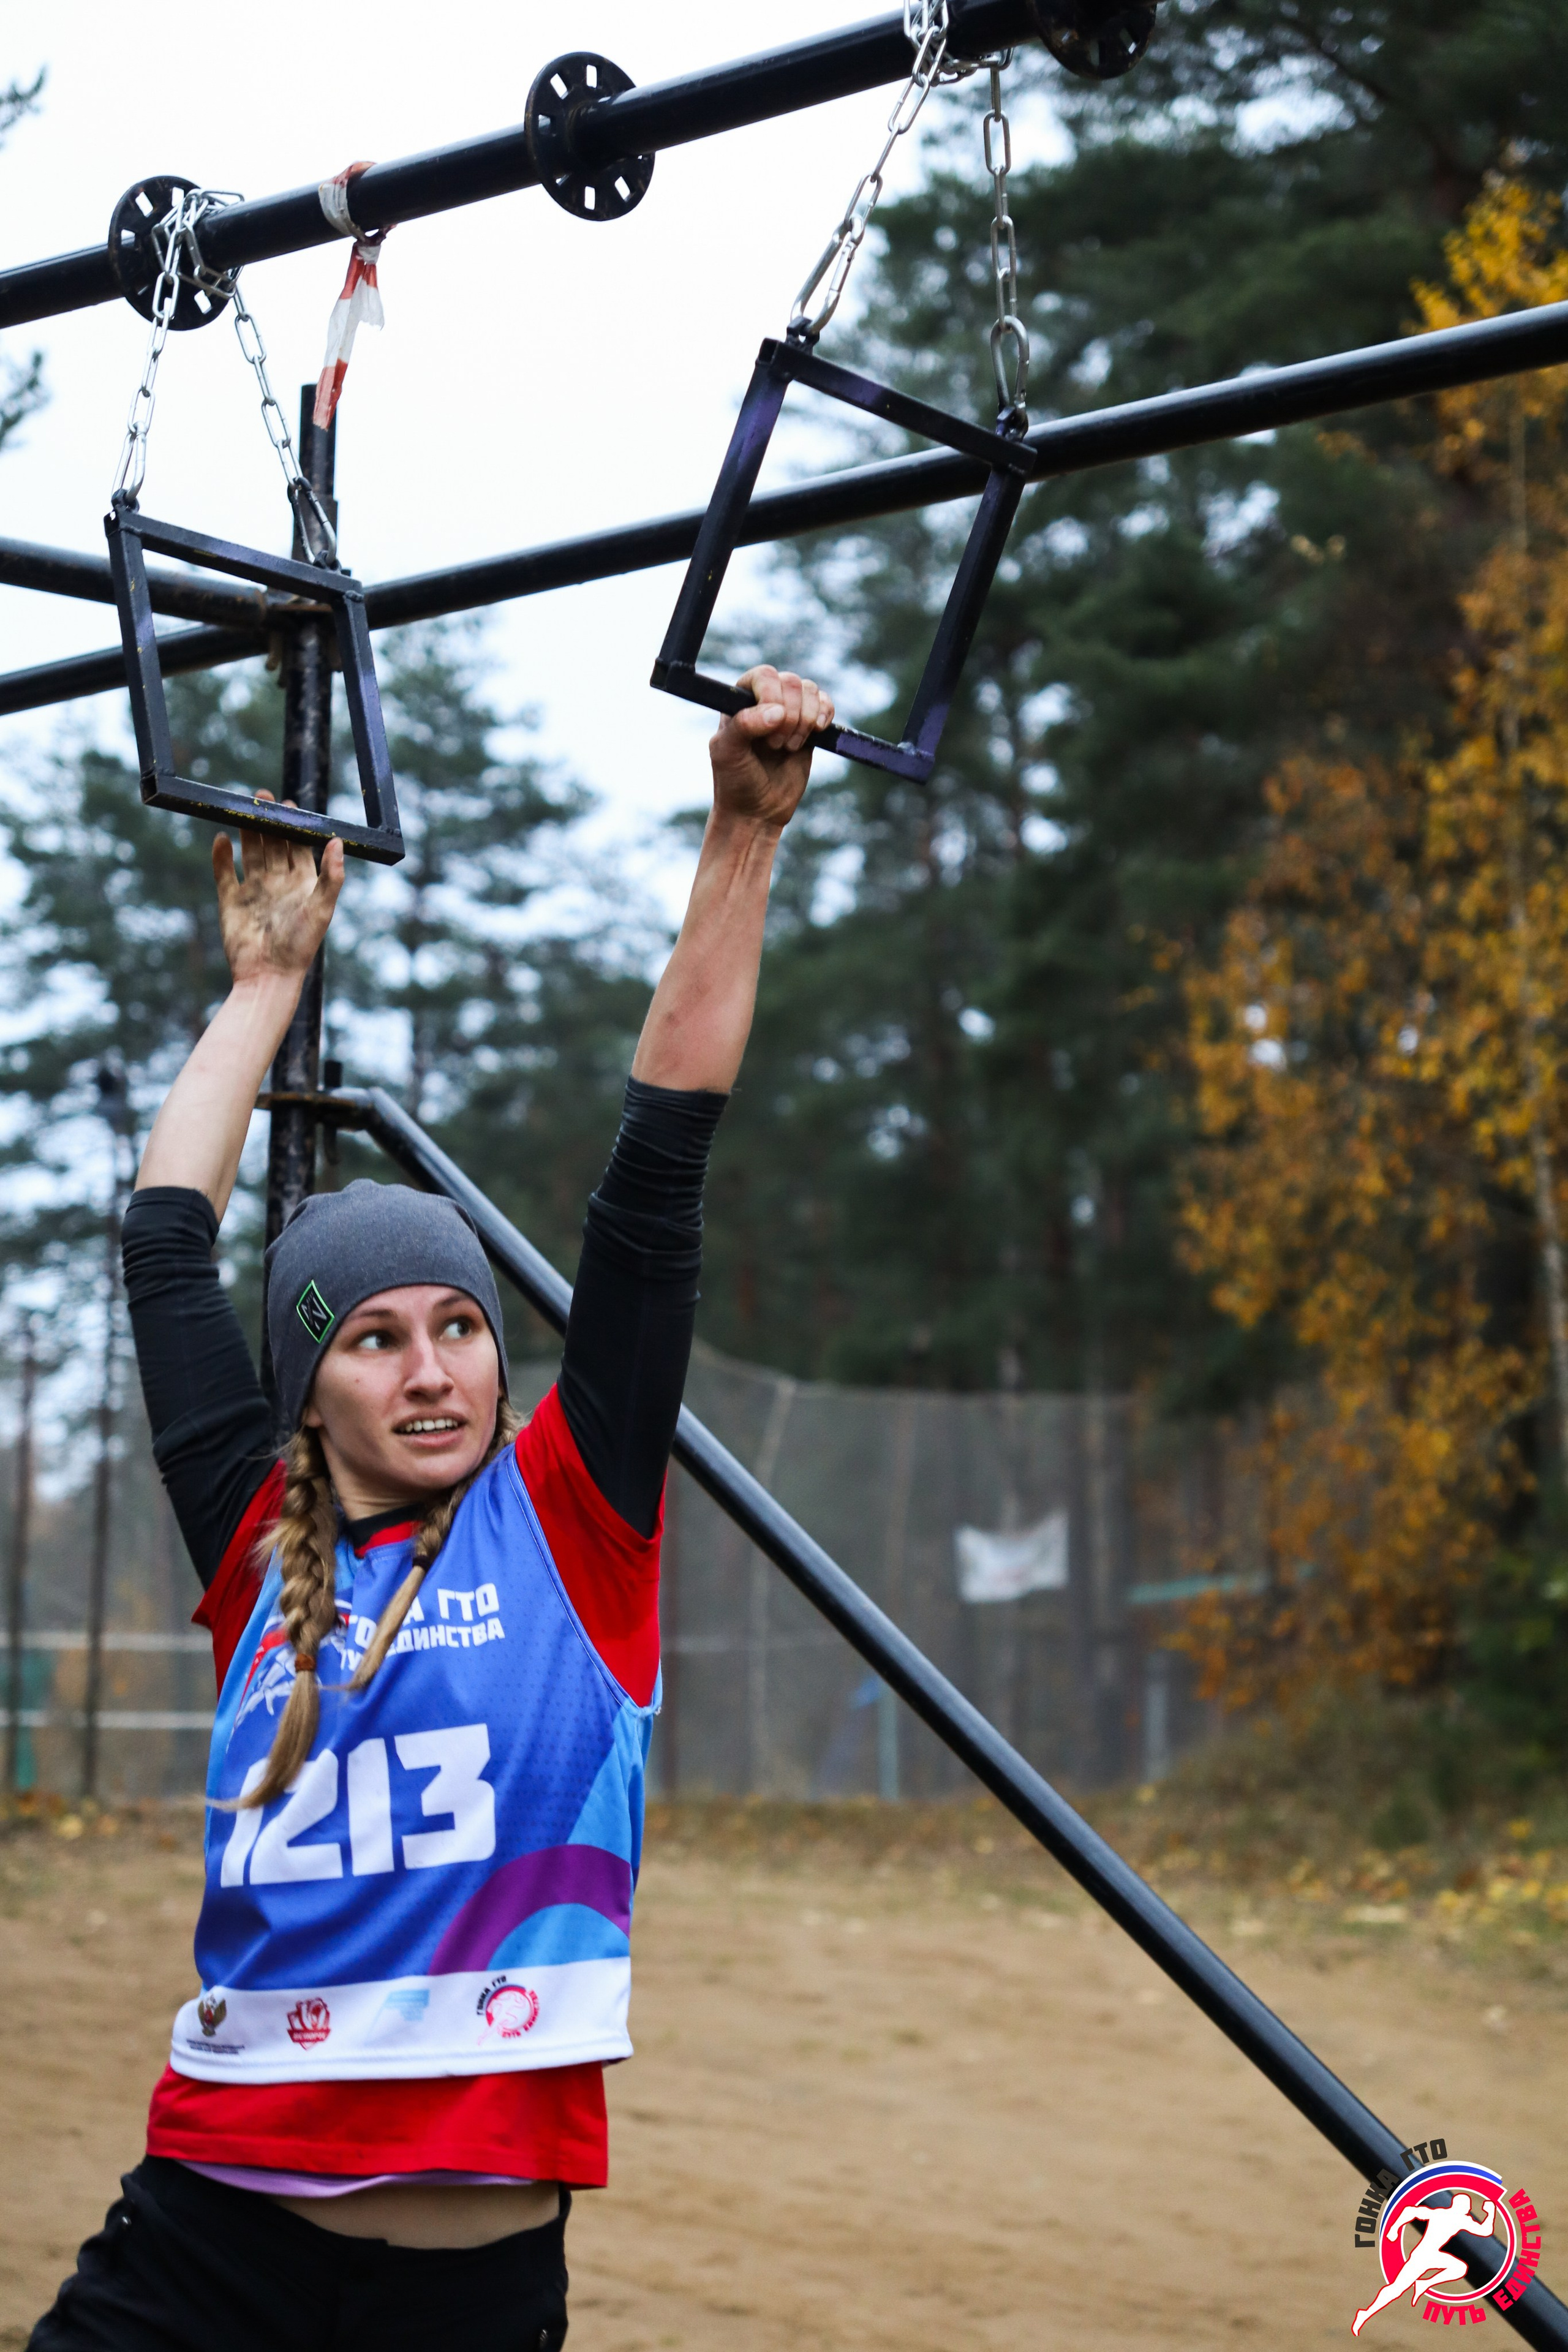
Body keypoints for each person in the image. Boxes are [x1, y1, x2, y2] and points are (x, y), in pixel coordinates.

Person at [30, 667, 835, 2352]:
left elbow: (661, 1162)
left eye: (460, 1327)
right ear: (308, 1395)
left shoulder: (573, 1518)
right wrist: (266, 979)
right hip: (205, 2239)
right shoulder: (262, 1546)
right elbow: (169, 1239)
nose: (431, 1369)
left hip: (464, 2296)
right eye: (376, 1341)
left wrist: (741, 839)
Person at [1351, 2189, 1496, 2336]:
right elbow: (1485, 2230)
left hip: (1432, 2255)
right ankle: (1365, 2314)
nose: (1467, 2211)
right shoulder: (1453, 2217)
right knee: (1396, 2289)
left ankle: (1424, 2284)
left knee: (1459, 2268)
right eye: (1467, 2208)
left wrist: (1395, 2229)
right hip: (1422, 2256)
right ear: (1461, 2207)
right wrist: (1490, 2212)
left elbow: (1409, 2211)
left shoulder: (1447, 2215)